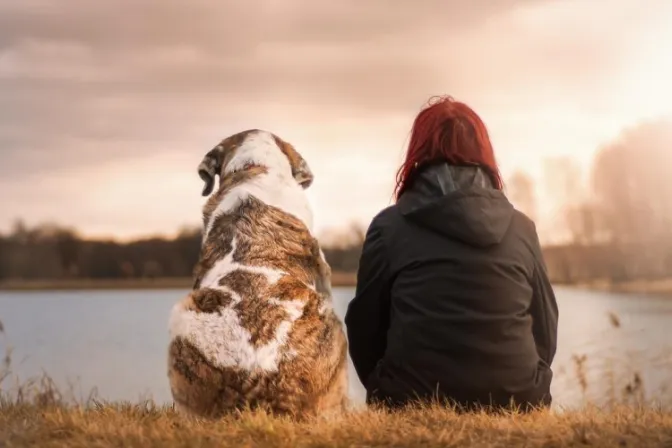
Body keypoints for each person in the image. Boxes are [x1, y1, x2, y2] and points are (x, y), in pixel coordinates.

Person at [344, 96, 558, 412]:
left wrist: (384, 386)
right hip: (518, 400)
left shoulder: (388, 227)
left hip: (409, 400)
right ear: (484, 153)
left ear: (418, 153)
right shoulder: (521, 228)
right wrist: (525, 383)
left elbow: (364, 329)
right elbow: (545, 328)